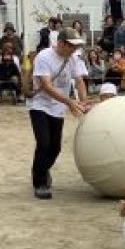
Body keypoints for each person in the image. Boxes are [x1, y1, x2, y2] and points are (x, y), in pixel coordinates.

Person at [28, 27, 89, 199]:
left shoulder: (73, 59)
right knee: (44, 143)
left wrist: (83, 102)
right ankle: (39, 183)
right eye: (72, 46)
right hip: (39, 105)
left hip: (58, 107)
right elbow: (46, 86)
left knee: (55, 148)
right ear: (61, 43)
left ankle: (41, 169)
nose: (74, 49)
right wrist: (70, 102)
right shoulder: (44, 57)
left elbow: (79, 82)